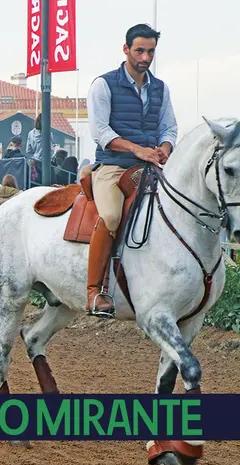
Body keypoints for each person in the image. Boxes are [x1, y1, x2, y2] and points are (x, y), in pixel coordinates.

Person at [85, 23, 177, 317]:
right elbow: (100, 131)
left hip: (149, 167)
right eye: (140, 50)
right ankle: (94, 291)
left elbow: (169, 127)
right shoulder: (103, 84)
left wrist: (165, 147)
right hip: (112, 167)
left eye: (151, 51)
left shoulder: (161, 88)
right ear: (126, 49)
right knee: (111, 216)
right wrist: (137, 149)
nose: (146, 57)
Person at [25, 114, 44, 182]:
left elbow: (28, 150)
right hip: (46, 165)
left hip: (35, 163)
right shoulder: (48, 134)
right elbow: (51, 150)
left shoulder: (30, 133)